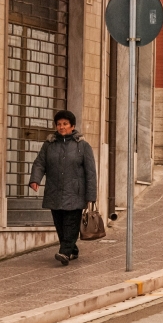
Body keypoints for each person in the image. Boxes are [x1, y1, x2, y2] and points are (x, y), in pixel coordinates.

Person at [29, 110, 97, 266]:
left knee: (71, 224)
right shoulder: (49, 145)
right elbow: (40, 163)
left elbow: (91, 172)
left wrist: (91, 195)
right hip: (54, 191)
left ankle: (65, 253)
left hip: (76, 193)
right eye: (59, 124)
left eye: (65, 124)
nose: (61, 127)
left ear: (72, 126)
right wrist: (35, 179)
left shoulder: (83, 146)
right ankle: (72, 250)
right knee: (60, 224)